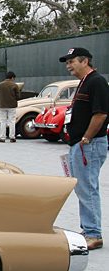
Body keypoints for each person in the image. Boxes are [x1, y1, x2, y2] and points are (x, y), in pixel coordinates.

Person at [60, 47, 109, 250]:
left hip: (89, 145)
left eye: (72, 61)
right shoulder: (84, 83)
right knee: (83, 188)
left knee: (87, 188)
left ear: (85, 61)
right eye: (68, 62)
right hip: (80, 145)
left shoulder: (96, 82)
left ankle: (93, 233)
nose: (68, 65)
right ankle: (88, 229)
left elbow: (101, 114)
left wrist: (86, 138)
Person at [0, 71, 21, 142]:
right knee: (12, 121)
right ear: (12, 77)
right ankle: (12, 137)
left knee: (3, 121)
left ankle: (2, 137)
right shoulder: (15, 85)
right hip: (12, 106)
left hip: (2, 105)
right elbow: (18, 96)